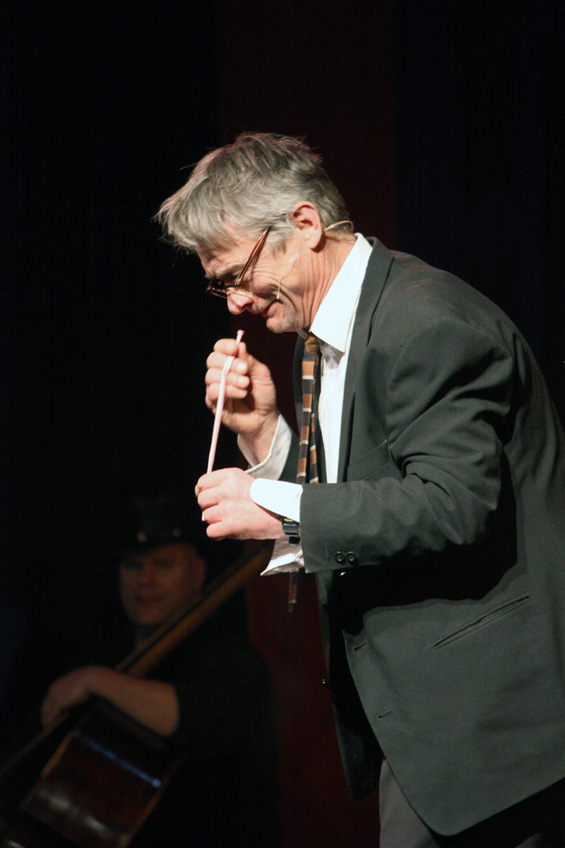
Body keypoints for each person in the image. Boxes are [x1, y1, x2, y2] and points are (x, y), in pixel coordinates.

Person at [156, 132, 565, 847]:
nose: (237, 303)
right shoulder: (331, 333)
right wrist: (263, 435)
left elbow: (450, 504)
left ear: (305, 226)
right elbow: (362, 505)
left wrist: (271, 505)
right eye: (219, 284)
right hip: (427, 725)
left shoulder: (424, 321)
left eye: (238, 273)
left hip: (493, 726)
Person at [23, 495, 280, 848]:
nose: (145, 580)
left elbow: (199, 717)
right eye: (132, 566)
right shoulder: (104, 653)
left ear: (198, 572)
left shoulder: (230, 659)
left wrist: (95, 680)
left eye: (162, 565)